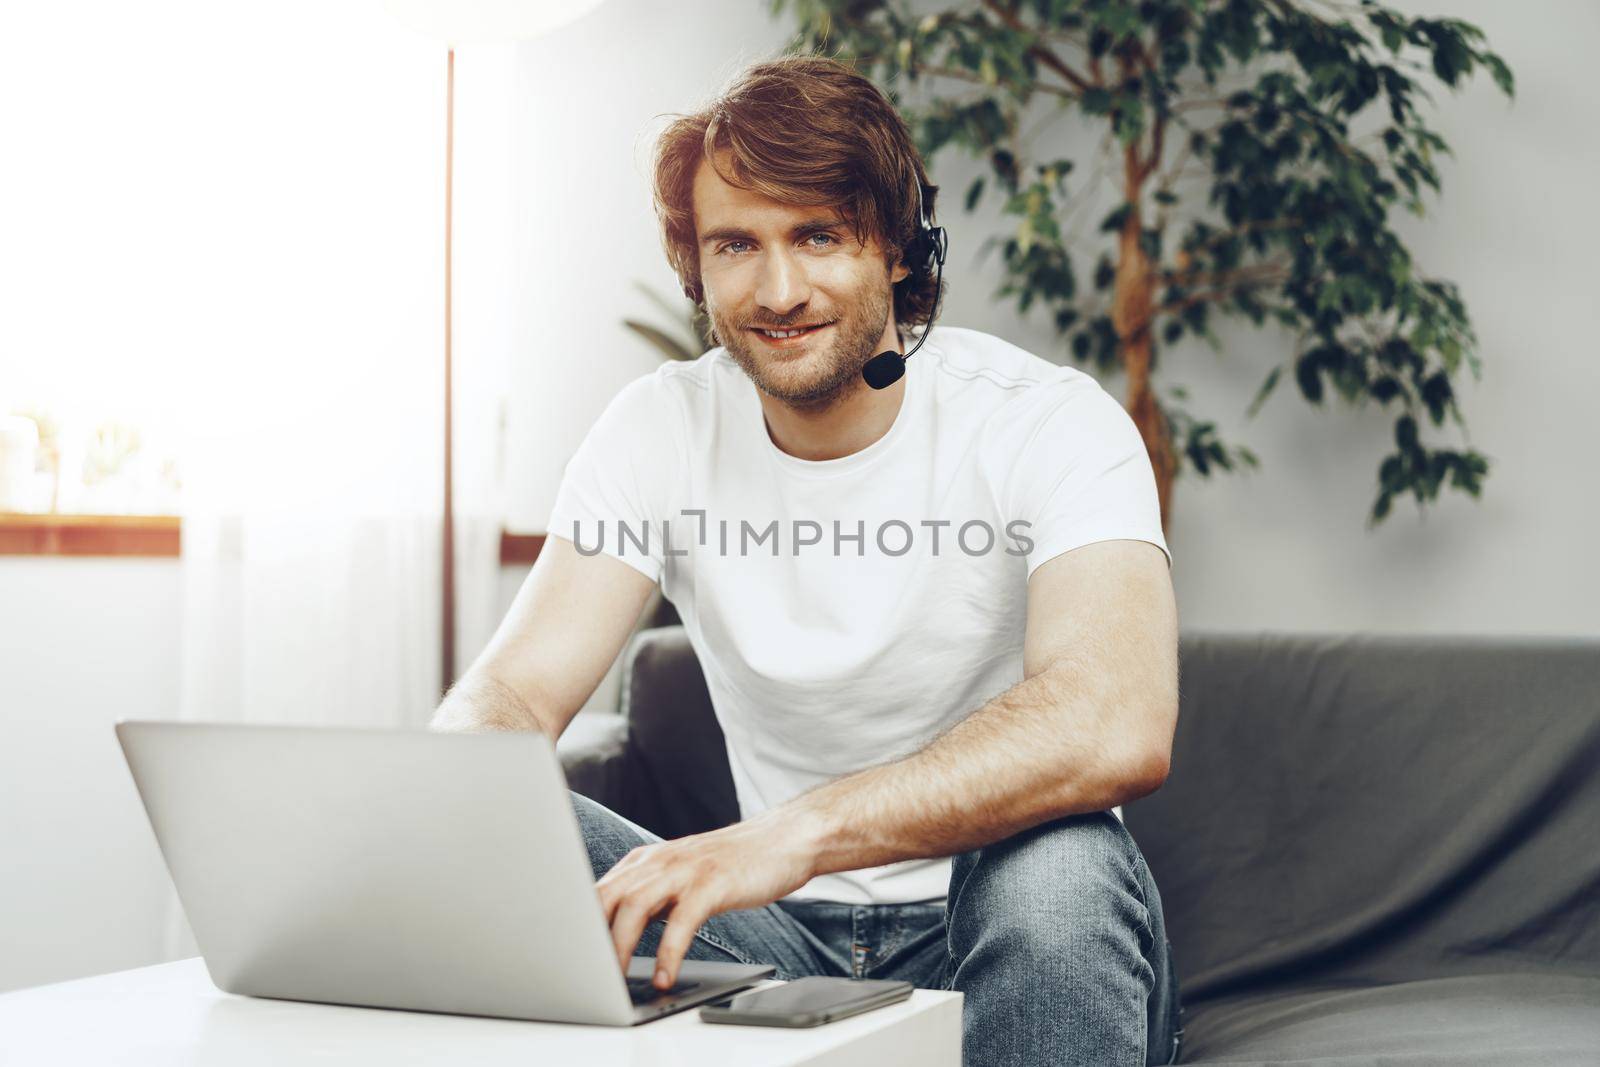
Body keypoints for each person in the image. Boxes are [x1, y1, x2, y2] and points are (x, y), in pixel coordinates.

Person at [432, 54, 1184, 1067]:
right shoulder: (659, 428)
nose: (778, 288)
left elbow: (1114, 718)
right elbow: (510, 695)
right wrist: (456, 786)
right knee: (498, 814)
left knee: (1053, 869)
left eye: (818, 235)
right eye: (736, 244)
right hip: (768, 939)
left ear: (898, 252)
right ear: (697, 270)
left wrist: (793, 833)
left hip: (1003, 913)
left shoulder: (1048, 422)